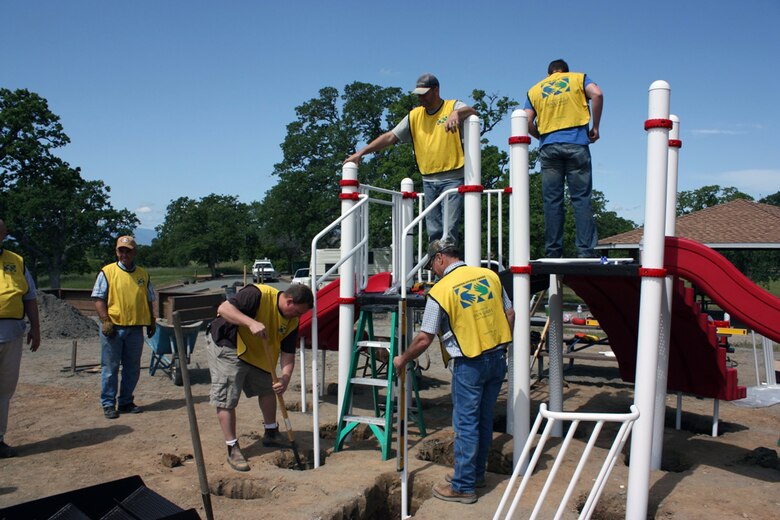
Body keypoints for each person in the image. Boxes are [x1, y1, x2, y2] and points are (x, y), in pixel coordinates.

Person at [393, 238, 514, 504]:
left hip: (469, 363)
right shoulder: (489, 276)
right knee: (482, 421)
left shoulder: (441, 290)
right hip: (497, 359)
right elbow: (510, 313)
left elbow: (425, 338)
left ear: (440, 259)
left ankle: (462, 486)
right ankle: (474, 475)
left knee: (466, 425)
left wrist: (403, 358)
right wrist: (503, 344)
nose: (432, 271)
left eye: (432, 265)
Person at [344, 73, 477, 243]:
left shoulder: (452, 106)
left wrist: (456, 113)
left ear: (436, 90)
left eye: (424, 94)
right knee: (434, 231)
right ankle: (437, 266)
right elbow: (390, 136)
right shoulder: (414, 115)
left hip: (453, 177)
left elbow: (472, 111)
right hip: (428, 179)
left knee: (449, 230)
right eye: (418, 94)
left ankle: (450, 267)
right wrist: (360, 153)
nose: (420, 98)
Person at [207, 282, 313, 472]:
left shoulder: (292, 321)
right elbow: (224, 308)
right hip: (230, 345)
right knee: (227, 397)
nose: (298, 317)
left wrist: (285, 378)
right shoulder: (258, 294)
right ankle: (232, 447)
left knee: (268, 388)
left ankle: (271, 432)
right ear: (289, 301)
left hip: (259, 353)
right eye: (297, 312)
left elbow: (288, 353)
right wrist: (250, 322)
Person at [524, 59, 604, 258]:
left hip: (549, 148)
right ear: (565, 72)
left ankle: (553, 252)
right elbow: (597, 94)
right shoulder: (578, 79)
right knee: (581, 199)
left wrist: (542, 137)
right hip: (577, 143)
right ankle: (585, 251)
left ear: (549, 74)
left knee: (552, 201)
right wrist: (595, 127)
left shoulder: (535, 90)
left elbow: (526, 120)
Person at [92, 235, 156, 419]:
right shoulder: (107, 272)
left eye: (128, 251)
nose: (124, 254)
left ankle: (126, 401)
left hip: (136, 328)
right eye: (121, 250)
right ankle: (108, 404)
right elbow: (98, 299)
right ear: (116, 252)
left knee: (132, 368)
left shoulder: (143, 275)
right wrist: (105, 320)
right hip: (114, 328)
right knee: (110, 368)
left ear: (134, 252)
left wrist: (151, 320)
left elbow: (149, 299)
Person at [0, 220, 41, 458]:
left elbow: (30, 297)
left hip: (11, 333)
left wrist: (35, 328)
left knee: (4, 388)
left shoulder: (17, 262)